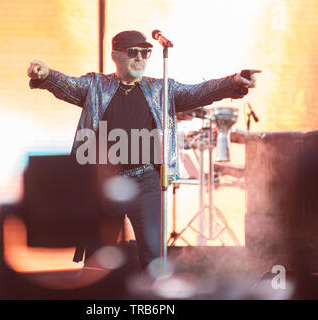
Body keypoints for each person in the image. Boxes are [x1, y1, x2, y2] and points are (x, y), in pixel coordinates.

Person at [27, 30, 260, 269]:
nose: (140, 58)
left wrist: (234, 81)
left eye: (145, 53)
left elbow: (200, 92)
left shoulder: (162, 90)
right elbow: (68, 85)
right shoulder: (95, 86)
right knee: (99, 256)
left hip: (146, 182)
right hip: (105, 183)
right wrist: (46, 75)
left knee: (154, 255)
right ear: (115, 56)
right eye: (133, 52)